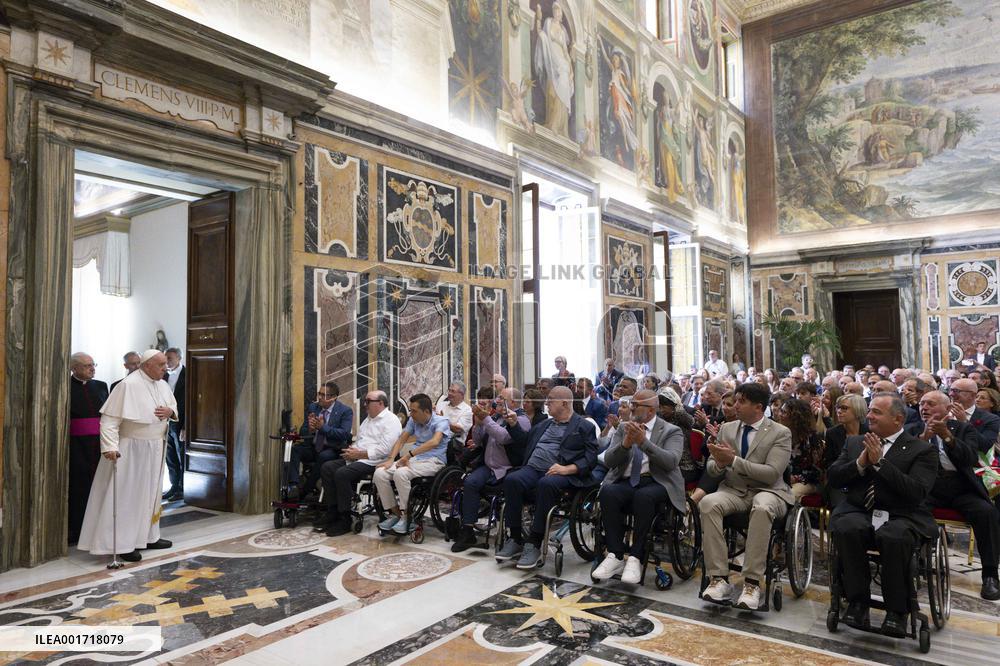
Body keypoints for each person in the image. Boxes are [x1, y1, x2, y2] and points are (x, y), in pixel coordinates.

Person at [827, 393, 937, 637]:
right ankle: (857, 603)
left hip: (902, 514)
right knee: (848, 527)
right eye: (870, 411)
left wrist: (880, 464)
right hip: (860, 509)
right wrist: (860, 464)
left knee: (894, 537)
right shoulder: (856, 443)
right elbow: (833, 477)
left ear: (898, 419)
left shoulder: (922, 450)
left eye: (876, 412)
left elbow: (916, 491)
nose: (869, 416)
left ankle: (897, 611)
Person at [700, 383, 792, 610]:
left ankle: (752, 582)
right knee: (708, 503)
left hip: (769, 492)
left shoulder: (780, 433)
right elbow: (712, 468)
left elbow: (771, 474)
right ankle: (719, 578)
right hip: (735, 490)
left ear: (758, 407)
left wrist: (733, 461)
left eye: (741, 401)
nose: (735, 405)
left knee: (761, 508)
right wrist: (719, 463)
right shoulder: (727, 429)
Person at [78, 350, 177, 562]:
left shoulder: (163, 384)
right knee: (128, 496)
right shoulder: (128, 385)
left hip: (156, 446)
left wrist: (170, 412)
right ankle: (123, 543)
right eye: (160, 365)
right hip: (131, 449)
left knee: (151, 493)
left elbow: (172, 407)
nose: (165, 368)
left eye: (165, 364)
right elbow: (110, 420)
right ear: (147, 365)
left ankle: (150, 536)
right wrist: (110, 447)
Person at [906, 390, 1000, 599]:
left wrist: (946, 436)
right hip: (927, 488)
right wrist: (923, 439)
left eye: (930, 404)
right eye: (922, 404)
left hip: (961, 487)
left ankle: (991, 576)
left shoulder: (963, 428)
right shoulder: (912, 429)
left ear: (947, 409)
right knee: (909, 509)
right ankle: (916, 563)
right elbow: (905, 461)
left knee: (987, 513)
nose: (924, 408)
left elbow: (969, 458)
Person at [496, 386, 598, 569]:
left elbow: (590, 458)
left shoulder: (584, 426)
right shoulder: (543, 424)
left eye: (551, 399)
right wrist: (513, 425)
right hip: (533, 468)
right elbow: (524, 442)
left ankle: (534, 542)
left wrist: (568, 469)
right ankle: (515, 538)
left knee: (546, 483)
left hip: (561, 473)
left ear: (565, 403)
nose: (546, 403)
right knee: (512, 479)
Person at [592, 391, 685, 584]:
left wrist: (644, 442)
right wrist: (625, 444)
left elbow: (671, 462)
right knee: (608, 492)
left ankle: (636, 557)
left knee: (644, 497)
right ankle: (615, 555)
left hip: (657, 481)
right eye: (631, 404)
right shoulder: (623, 428)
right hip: (626, 480)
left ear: (651, 410)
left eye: (636, 405)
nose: (631, 408)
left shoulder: (671, 430)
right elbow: (609, 460)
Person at [452, 388, 531, 552]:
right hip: (488, 466)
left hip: (509, 468)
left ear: (514, 402)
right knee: (470, 482)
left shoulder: (522, 420)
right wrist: (479, 423)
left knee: (507, 487)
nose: (498, 400)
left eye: (502, 398)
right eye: (498, 397)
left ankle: (512, 536)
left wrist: (486, 419)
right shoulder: (495, 416)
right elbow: (479, 441)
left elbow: (503, 437)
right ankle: (468, 531)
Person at [314, 391, 401, 536]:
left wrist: (359, 454)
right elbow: (360, 440)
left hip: (376, 461)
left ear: (380, 403)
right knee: (327, 467)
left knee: (342, 474)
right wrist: (352, 450)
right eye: (365, 401)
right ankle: (333, 511)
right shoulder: (368, 420)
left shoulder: (391, 420)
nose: (365, 404)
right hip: (359, 457)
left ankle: (345, 518)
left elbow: (385, 450)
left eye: (368, 401)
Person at [374, 393, 450, 535]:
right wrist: (391, 459)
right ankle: (396, 514)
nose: (411, 414)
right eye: (410, 410)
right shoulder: (413, 421)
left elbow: (434, 442)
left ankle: (408, 516)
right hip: (415, 460)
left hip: (434, 461)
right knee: (380, 473)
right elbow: (401, 440)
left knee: (400, 473)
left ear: (426, 411)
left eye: (414, 411)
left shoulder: (441, 421)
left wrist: (408, 455)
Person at [69, 352, 109, 545]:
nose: (92, 369)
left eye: (93, 364)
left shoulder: (101, 386)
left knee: (100, 484)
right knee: (79, 486)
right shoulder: (65, 387)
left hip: (100, 444)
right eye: (87, 366)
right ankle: (76, 529)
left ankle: (98, 527)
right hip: (76, 446)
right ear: (74, 368)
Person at [288, 382, 353, 500]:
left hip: (332, 449)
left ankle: (305, 490)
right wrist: (310, 429)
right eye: (320, 394)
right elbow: (304, 430)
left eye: (324, 395)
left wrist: (323, 428)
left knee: (323, 456)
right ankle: (293, 486)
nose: (320, 398)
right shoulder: (313, 407)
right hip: (313, 446)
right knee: (296, 449)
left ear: (334, 397)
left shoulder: (345, 411)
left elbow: (344, 434)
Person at [777, 398, 825, 499]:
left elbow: (818, 472)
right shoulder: (777, 434)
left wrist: (796, 478)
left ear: (795, 417)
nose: (779, 414)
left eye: (784, 412)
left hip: (808, 481)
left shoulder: (812, 439)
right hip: (781, 479)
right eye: (780, 411)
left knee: (789, 495)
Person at [947, 378, 1000, 452]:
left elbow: (985, 445)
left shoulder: (991, 419)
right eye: (950, 390)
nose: (951, 394)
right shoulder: (944, 412)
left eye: (956, 391)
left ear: (972, 395)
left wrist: (964, 422)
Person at [161, 347, 186, 502]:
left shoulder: (188, 374)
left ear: (178, 357)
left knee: (181, 454)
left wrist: (186, 425)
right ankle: (174, 486)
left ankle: (183, 488)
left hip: (180, 421)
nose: (166, 362)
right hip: (164, 422)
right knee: (169, 456)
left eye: (169, 358)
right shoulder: (162, 376)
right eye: (165, 359)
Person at [435, 381, 474, 451]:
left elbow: (457, 429)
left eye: (453, 391)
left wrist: (442, 420)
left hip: (453, 446)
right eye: (449, 390)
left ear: (461, 394)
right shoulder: (441, 405)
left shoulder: (467, 410)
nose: (449, 393)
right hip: (435, 440)